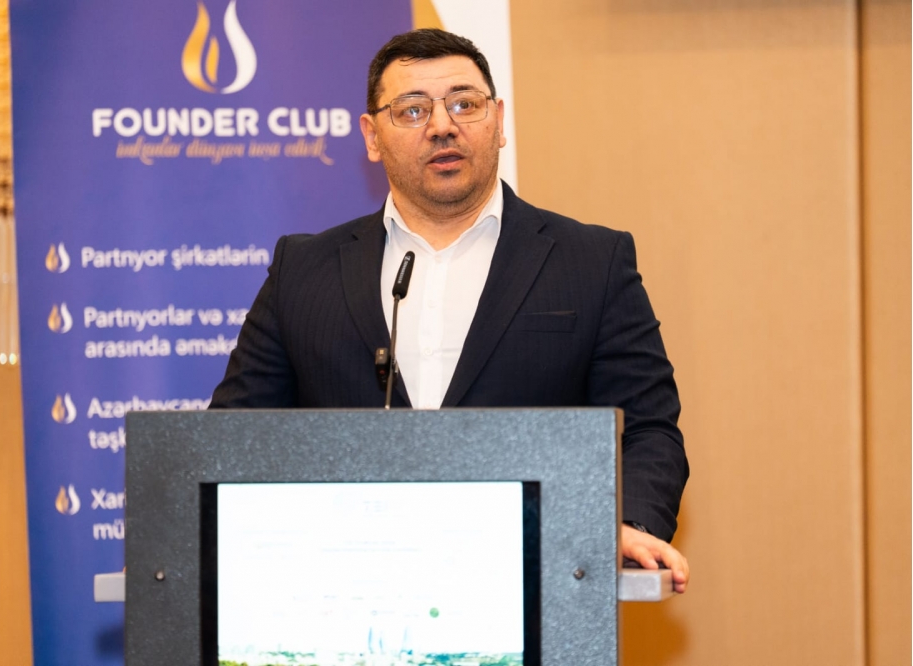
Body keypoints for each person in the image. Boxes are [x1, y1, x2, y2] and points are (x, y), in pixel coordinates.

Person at [211, 28, 690, 592]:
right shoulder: (304, 269)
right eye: (412, 110)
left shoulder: (591, 260)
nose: (442, 125)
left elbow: (649, 429)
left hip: (537, 582)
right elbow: (234, 439)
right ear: (371, 136)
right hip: (349, 587)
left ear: (499, 121)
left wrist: (626, 523)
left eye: (464, 104)